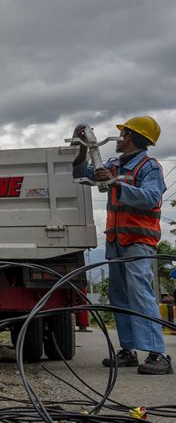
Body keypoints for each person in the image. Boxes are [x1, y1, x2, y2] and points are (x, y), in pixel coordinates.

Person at [72, 115, 172, 374]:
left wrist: (115, 182)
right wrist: (82, 145)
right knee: (119, 295)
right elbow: (81, 173)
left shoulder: (149, 167)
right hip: (116, 239)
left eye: (123, 133)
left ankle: (158, 354)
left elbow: (151, 197)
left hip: (139, 240)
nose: (119, 138)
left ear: (132, 138)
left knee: (139, 292)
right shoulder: (115, 163)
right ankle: (128, 350)